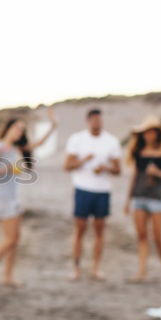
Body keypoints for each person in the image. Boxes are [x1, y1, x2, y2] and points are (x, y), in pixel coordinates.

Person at [0, 108, 57, 288]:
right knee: (9, 239)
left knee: (15, 238)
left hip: (13, 196)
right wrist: (9, 168)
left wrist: (52, 126)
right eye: (17, 128)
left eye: (22, 130)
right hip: (2, 197)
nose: (20, 132)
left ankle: (8, 276)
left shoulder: (15, 148)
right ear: (9, 128)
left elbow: (39, 144)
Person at [63, 108, 122, 281]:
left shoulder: (111, 141)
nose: (98, 123)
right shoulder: (77, 139)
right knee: (80, 228)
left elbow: (118, 169)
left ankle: (95, 268)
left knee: (100, 230)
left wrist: (106, 168)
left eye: (100, 120)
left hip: (102, 190)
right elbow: (67, 166)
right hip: (82, 188)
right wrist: (83, 161)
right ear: (88, 121)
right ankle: (76, 268)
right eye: (95, 120)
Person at [124, 115, 161, 281]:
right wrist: (127, 200)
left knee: (158, 236)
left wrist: (157, 172)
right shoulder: (140, 153)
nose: (148, 135)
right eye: (146, 132)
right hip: (139, 197)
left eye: (151, 132)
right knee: (141, 236)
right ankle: (142, 271)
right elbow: (135, 176)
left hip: (156, 198)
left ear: (157, 134)